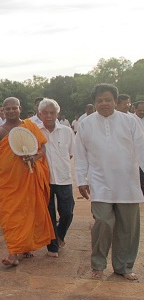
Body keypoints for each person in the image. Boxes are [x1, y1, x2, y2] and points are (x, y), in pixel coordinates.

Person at [74, 84, 144, 280]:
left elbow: (142, 148)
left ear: (116, 101)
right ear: (94, 103)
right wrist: (81, 179)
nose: (103, 103)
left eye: (107, 100)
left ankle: (124, 266)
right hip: (100, 181)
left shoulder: (130, 121)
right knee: (103, 222)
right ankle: (98, 263)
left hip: (127, 182)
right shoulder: (86, 124)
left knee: (127, 227)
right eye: (99, 100)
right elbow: (80, 155)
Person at [0, 97, 55, 267]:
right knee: (10, 215)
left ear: (20, 108)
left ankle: (16, 252)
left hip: (27, 178)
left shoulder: (29, 126)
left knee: (28, 212)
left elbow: (42, 148)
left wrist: (34, 158)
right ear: (3, 110)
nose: (11, 111)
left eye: (14, 108)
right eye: (8, 109)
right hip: (8, 182)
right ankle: (15, 248)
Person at [37, 99, 75, 258]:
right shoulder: (35, 132)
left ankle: (59, 235)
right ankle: (52, 246)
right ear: (40, 114)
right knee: (49, 213)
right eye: (45, 113)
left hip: (64, 178)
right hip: (44, 180)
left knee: (67, 212)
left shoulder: (66, 131)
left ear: (57, 114)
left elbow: (71, 153)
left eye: (52, 112)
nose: (49, 116)